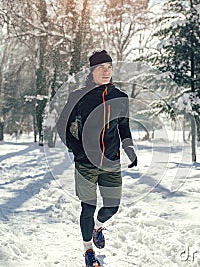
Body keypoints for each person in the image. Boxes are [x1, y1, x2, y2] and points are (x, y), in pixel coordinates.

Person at [57, 50, 137, 267]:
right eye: (101, 67)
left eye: (109, 67)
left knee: (112, 206)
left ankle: (98, 227)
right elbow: (62, 126)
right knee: (88, 208)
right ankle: (88, 250)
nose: (106, 71)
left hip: (111, 161)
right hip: (86, 164)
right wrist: (76, 149)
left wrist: (128, 146)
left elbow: (123, 125)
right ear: (92, 71)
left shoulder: (120, 97)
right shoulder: (78, 97)